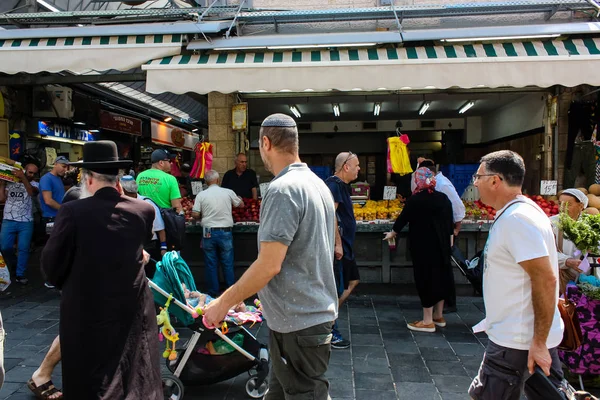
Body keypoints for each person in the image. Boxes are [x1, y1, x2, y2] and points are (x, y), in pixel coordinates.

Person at [203, 114, 338, 399]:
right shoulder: (318, 184)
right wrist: (245, 294)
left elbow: (269, 264)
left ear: (265, 143)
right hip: (301, 319)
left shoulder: (282, 189)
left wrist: (222, 303)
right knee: (277, 392)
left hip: (298, 324)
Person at [40, 141, 162, 399]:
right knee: (134, 375)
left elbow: (51, 265)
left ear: (88, 179)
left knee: (91, 381)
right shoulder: (143, 211)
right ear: (116, 178)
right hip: (131, 309)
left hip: (87, 312)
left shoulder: (72, 211)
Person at [468, 150, 564, 400]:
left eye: (478, 177)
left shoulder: (518, 219)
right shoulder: (518, 213)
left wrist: (540, 343)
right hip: (517, 338)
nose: (475, 183)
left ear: (495, 180)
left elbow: (545, 278)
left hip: (518, 342)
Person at [384, 167, 454, 332]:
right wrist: (449, 243)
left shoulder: (415, 200)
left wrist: (392, 233)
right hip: (442, 247)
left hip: (423, 247)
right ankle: (438, 316)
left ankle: (427, 321)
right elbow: (450, 225)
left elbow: (402, 220)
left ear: (419, 180)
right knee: (440, 278)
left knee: (426, 280)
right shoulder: (444, 199)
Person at [418, 159, 466, 313]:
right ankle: (441, 302)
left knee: (444, 268)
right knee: (440, 267)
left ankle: (449, 302)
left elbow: (458, 207)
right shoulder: (434, 184)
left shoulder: (442, 185)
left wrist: (455, 229)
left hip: (446, 231)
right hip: (440, 230)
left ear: (429, 174)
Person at [324, 151, 360, 349]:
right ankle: (330, 329)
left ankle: (326, 320)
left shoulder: (342, 186)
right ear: (346, 166)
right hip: (339, 248)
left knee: (353, 281)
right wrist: (337, 244)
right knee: (335, 290)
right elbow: (331, 216)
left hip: (345, 246)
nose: (359, 169)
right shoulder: (334, 185)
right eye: (356, 165)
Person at [191, 170, 243, 297]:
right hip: (225, 232)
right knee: (227, 262)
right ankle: (230, 292)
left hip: (208, 232)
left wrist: (199, 216)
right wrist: (239, 199)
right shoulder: (228, 192)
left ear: (206, 182)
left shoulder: (201, 195)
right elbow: (240, 205)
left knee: (211, 263)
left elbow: (195, 213)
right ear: (218, 180)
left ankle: (213, 292)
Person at [120, 175, 167, 278]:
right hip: (132, 246)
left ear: (123, 190)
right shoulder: (120, 203)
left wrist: (163, 247)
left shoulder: (147, 203)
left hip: (149, 246)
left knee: (148, 276)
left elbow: (160, 228)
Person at [0, 163, 39, 285]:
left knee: (23, 248)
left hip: (26, 221)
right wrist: (2, 184)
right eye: (29, 172)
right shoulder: (11, 182)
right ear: (24, 170)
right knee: (5, 247)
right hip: (8, 219)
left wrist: (23, 178)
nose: (31, 175)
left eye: (34, 173)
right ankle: (14, 263)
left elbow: (31, 193)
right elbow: (2, 199)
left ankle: (20, 274)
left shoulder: (35, 184)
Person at [549, 188, 589, 295]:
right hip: (559, 280)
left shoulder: (590, 225)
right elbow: (545, 252)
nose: (562, 208)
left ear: (581, 206)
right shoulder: (551, 224)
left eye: (568, 204)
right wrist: (567, 261)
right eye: (560, 204)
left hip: (586, 282)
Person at [39, 156, 69, 224]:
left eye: (67, 167)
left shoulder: (58, 178)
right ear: (55, 164)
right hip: (50, 218)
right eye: (63, 166)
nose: (65, 169)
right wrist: (64, 209)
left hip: (58, 216)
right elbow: (48, 201)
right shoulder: (46, 179)